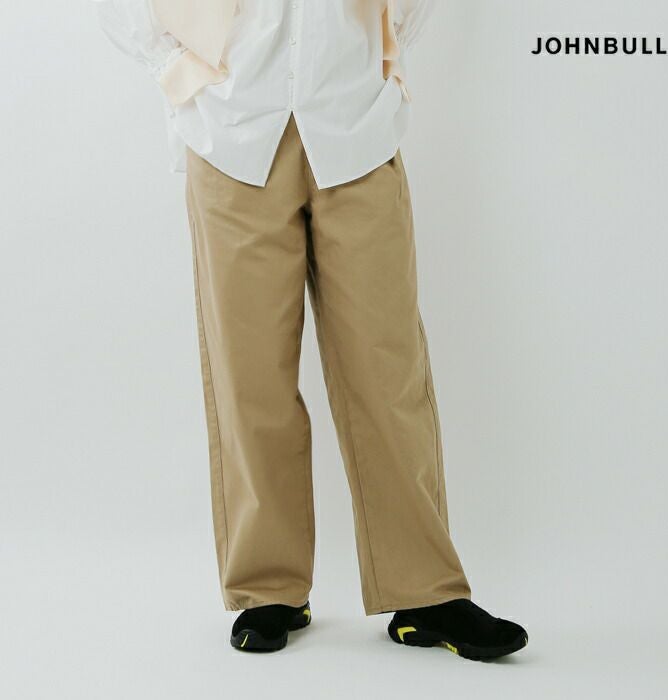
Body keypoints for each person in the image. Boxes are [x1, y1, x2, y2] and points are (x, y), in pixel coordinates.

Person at [94, 0, 528, 660]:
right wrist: (178, 71)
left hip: (356, 127)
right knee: (251, 376)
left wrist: (380, 64)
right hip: (233, 133)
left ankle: (425, 593)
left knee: (389, 371)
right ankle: (268, 589)